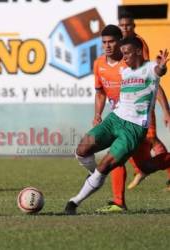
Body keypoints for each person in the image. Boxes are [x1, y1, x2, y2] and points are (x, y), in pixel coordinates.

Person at [64, 36, 169, 215]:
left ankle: (73, 203)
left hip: (133, 129)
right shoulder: (126, 72)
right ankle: (94, 175)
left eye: (127, 53)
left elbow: (160, 71)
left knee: (106, 166)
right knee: (82, 149)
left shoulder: (150, 67)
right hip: (114, 119)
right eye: (122, 54)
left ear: (137, 51)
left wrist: (162, 66)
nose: (124, 57)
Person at [92, 25, 170, 213]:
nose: (108, 46)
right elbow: (100, 92)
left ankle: (119, 202)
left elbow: (155, 83)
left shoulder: (130, 63)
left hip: (136, 119)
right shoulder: (99, 64)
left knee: (116, 157)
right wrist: (97, 114)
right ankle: (120, 200)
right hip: (119, 118)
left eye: (112, 42)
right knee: (146, 165)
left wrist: (166, 110)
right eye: (104, 42)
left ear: (120, 44)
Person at [118, 11, 170, 189]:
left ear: (134, 26)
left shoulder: (139, 45)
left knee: (150, 138)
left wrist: (165, 110)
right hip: (126, 103)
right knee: (131, 140)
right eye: (122, 26)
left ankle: (147, 170)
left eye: (128, 25)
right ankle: (141, 168)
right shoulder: (120, 44)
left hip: (142, 102)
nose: (125, 28)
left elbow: (151, 77)